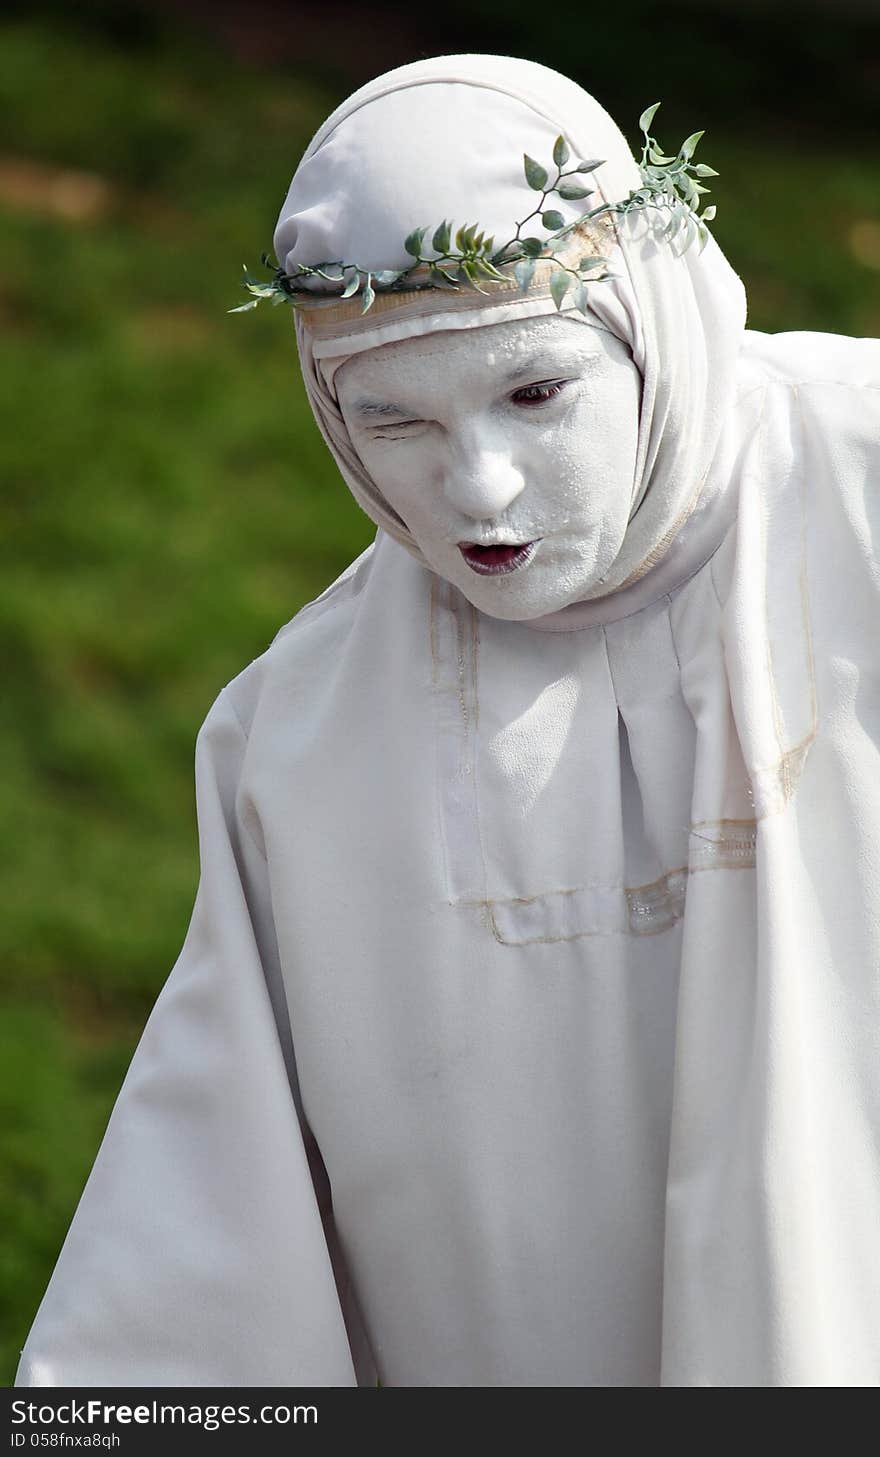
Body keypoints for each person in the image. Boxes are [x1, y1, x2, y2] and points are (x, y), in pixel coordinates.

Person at [15, 53, 880, 1389]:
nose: (477, 487)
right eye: (394, 421)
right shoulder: (300, 742)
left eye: (537, 391)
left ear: (646, 321)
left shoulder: (861, 485)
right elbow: (204, 1267)